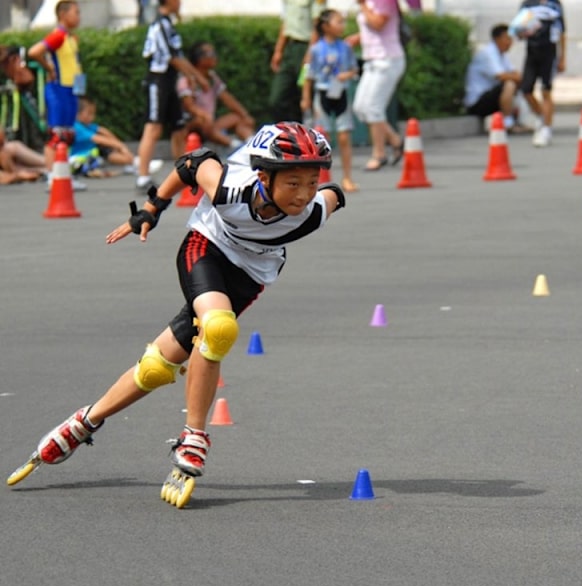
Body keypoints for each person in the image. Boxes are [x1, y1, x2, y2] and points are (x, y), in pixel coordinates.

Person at [7, 122, 346, 509]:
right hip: (206, 247)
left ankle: (84, 421)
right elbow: (193, 161)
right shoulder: (229, 189)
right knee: (217, 328)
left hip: (249, 275)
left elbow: (333, 194)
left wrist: (325, 190)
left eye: (310, 181)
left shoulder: (314, 211)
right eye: (292, 183)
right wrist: (151, 209)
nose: (303, 195)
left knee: (158, 365)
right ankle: (194, 438)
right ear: (263, 176)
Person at [135, 0, 210, 193]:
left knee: (179, 127)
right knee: (153, 127)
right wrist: (195, 76)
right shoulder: (159, 24)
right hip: (158, 81)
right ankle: (143, 176)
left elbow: (179, 56)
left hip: (170, 80)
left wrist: (192, 76)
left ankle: (183, 172)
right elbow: (173, 57)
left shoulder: (169, 24)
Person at [27, 0, 87, 191]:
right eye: (75, 13)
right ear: (63, 14)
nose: (78, 17)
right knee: (56, 134)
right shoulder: (58, 36)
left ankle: (64, 175)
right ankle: (52, 176)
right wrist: (48, 68)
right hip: (58, 90)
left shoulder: (71, 38)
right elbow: (34, 52)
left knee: (67, 134)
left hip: (71, 90)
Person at [301, 9, 359, 193]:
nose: (342, 26)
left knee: (344, 137)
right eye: (338, 22)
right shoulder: (316, 49)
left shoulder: (346, 47)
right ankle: (320, 178)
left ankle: (348, 177)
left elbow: (354, 69)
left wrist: (346, 75)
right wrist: (305, 97)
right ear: (326, 26)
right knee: (321, 138)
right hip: (323, 92)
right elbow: (308, 75)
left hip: (340, 92)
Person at [350, 0, 405, 171]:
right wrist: (357, 38)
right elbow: (372, 29)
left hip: (388, 59)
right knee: (361, 108)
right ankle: (395, 140)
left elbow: (379, 24)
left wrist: (363, 6)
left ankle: (379, 154)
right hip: (372, 60)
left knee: (374, 108)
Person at [175, 41, 256, 152]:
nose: (215, 57)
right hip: (193, 124)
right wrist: (204, 115)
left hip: (211, 123)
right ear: (199, 59)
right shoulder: (187, 80)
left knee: (238, 117)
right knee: (203, 121)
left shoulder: (212, 77)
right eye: (211, 54)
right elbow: (189, 106)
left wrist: (245, 115)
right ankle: (235, 145)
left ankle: (251, 142)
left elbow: (227, 98)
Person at [513, 0, 566, 147]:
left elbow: (562, 31)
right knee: (526, 89)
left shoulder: (555, 4)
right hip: (532, 51)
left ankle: (546, 128)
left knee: (546, 90)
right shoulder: (527, 4)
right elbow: (518, 30)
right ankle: (542, 117)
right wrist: (522, 31)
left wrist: (563, 57)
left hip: (549, 52)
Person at [70, 96, 163, 177]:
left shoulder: (87, 125)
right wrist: (120, 146)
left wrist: (119, 146)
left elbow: (103, 131)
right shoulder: (76, 126)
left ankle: (136, 163)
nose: (92, 117)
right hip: (76, 160)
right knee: (103, 148)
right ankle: (138, 163)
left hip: (88, 157)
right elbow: (99, 139)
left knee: (106, 147)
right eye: (89, 113)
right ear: (78, 114)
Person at [464, 24, 530, 134]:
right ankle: (508, 123)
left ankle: (517, 121)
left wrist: (521, 78)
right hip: (477, 102)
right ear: (497, 39)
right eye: (507, 39)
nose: (510, 43)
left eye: (511, 39)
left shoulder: (502, 55)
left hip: (491, 98)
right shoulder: (488, 53)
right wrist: (519, 77)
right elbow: (501, 76)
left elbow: (514, 72)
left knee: (518, 84)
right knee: (509, 84)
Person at [269, 0, 325, 123]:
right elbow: (286, 22)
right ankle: (285, 133)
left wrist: (310, 53)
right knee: (278, 97)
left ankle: (305, 135)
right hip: (290, 47)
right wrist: (279, 50)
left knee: (304, 96)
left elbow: (318, 26)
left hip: (306, 47)